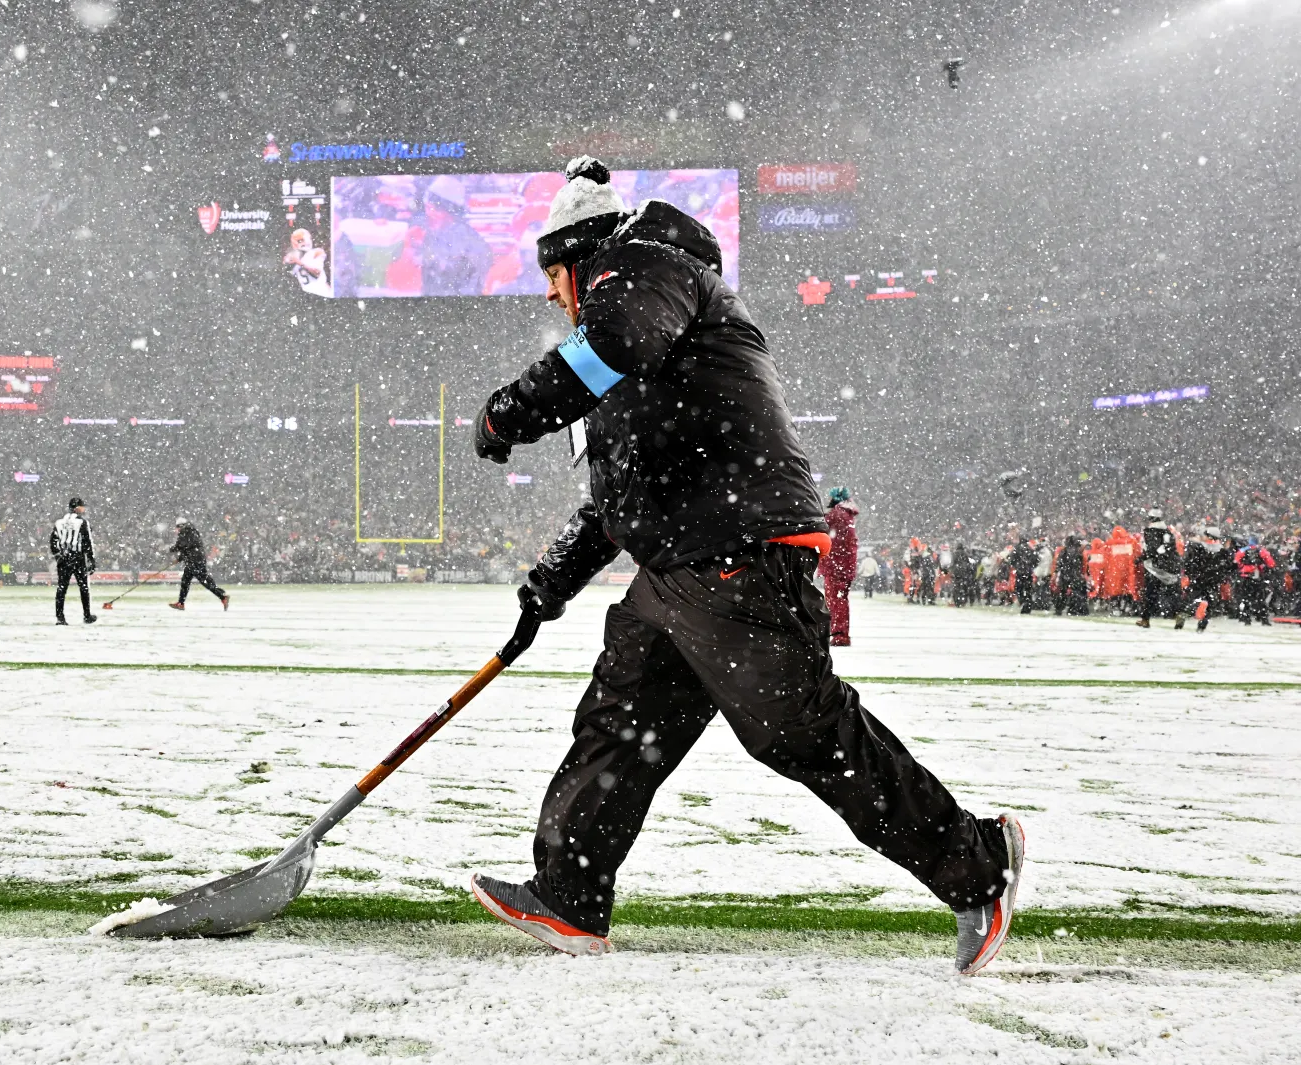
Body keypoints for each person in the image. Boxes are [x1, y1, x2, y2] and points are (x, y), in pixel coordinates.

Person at [465, 157, 1022, 974]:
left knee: (799, 732)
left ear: (581, 255)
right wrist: (546, 584)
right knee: (620, 724)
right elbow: (619, 500)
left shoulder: (641, 270)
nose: (551, 294)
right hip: (680, 566)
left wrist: (508, 411)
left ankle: (980, 861)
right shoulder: (631, 350)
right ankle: (569, 896)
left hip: (737, 551)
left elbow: (611, 340)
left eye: (552, 273)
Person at [819, 487, 858, 646]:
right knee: (840, 600)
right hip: (843, 566)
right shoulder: (846, 515)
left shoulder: (837, 514)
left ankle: (839, 635)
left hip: (836, 566)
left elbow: (821, 525)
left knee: (835, 601)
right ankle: (840, 633)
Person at [50, 496, 97, 625]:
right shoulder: (82, 522)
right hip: (78, 557)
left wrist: (58, 556)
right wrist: (91, 560)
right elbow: (88, 542)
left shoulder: (59, 522)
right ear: (77, 508)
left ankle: (60, 617)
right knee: (83, 587)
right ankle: (86, 615)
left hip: (64, 558)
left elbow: (53, 541)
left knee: (61, 588)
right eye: (82, 506)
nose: (83, 509)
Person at [168, 518, 229, 611]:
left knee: (203, 581)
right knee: (188, 581)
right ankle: (181, 603)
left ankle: (222, 596)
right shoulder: (192, 531)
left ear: (181, 526)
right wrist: (179, 559)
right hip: (196, 560)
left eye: (178, 527)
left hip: (194, 561)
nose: (177, 530)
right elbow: (188, 548)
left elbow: (182, 546)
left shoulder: (185, 532)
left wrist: (172, 549)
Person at [1137, 507, 1181, 628]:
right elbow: (1171, 549)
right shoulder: (1168, 532)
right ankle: (1179, 616)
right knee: (1173, 593)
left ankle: (1145, 619)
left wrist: (1141, 558)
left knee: (1151, 594)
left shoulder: (1150, 531)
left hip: (1155, 567)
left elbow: (1152, 549)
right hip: (1171, 566)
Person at [1181, 525, 1231, 632]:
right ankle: (1202, 624)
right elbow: (1227, 567)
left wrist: (1190, 574)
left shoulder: (1197, 548)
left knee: (1191, 601)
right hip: (1213, 581)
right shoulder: (1223, 551)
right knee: (1211, 604)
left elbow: (1189, 564)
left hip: (1199, 579)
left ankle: (1181, 619)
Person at [1234, 535, 1276, 626]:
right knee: (1261, 598)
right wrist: (1262, 566)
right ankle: (1264, 619)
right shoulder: (1262, 550)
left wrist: (1243, 567)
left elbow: (1236, 562)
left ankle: (1246, 619)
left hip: (1245, 577)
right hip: (1257, 577)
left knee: (1246, 598)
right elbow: (1271, 563)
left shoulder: (1242, 550)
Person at [1053, 534, 1089, 616]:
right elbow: (1083, 564)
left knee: (1062, 593)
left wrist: (1056, 572)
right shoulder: (1078, 552)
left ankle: (1059, 608)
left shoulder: (1064, 551)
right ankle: (1075, 609)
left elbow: (1059, 563)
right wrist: (1082, 574)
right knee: (1076, 592)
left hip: (1065, 574)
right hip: (1075, 574)